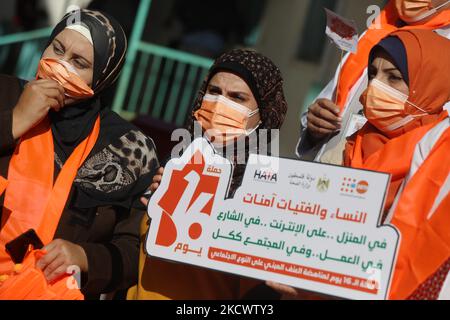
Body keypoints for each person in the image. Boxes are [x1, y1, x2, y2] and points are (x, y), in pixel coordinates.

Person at [269, 29, 450, 300]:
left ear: (430, 82)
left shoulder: (437, 153)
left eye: (394, 77)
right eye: (373, 74)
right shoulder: (356, 139)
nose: (375, 85)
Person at [0, 9, 159, 300]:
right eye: (57, 49)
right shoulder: (5, 94)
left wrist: (85, 256)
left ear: (102, 78)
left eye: (79, 63)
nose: (60, 65)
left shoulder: (129, 149)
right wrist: (15, 121)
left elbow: (134, 252)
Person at [127, 49, 288, 300]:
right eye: (214, 92)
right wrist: (150, 203)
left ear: (264, 111)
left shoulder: (266, 192)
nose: (220, 104)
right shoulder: (177, 163)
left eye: (237, 98)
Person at [296, 0, 450, 163]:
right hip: (331, 169)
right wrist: (315, 126)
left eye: (394, 77)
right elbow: (331, 106)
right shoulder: (380, 28)